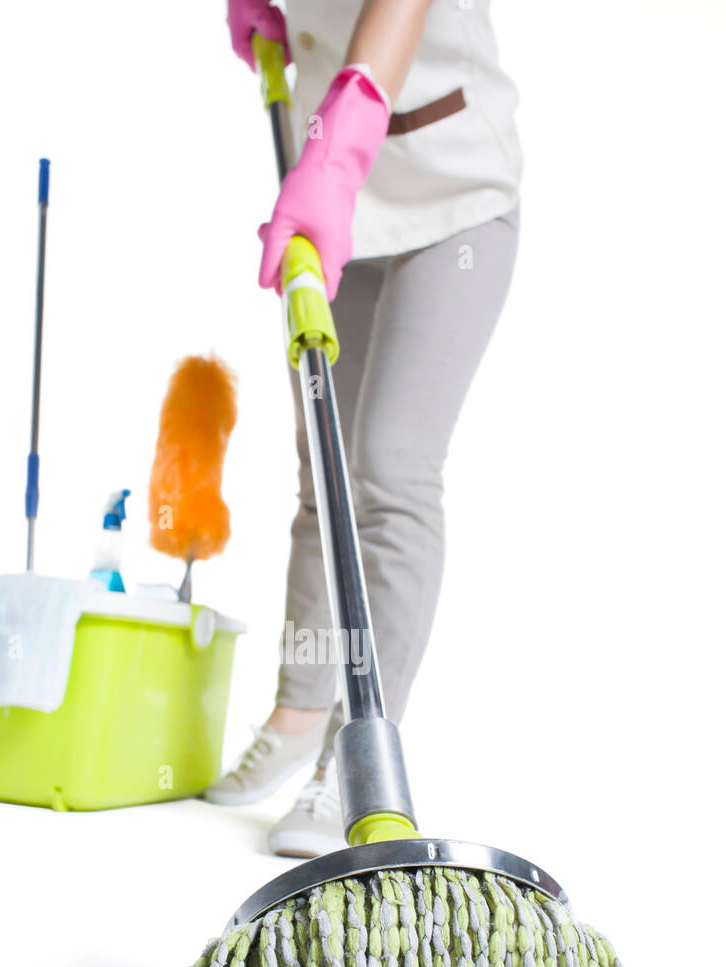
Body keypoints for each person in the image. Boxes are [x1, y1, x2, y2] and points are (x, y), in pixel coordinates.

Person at [205, 0, 522, 856]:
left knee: (388, 468)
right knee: (324, 465)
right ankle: (300, 710)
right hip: (337, 200)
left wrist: (338, 154)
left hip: (450, 196)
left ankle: (359, 753)